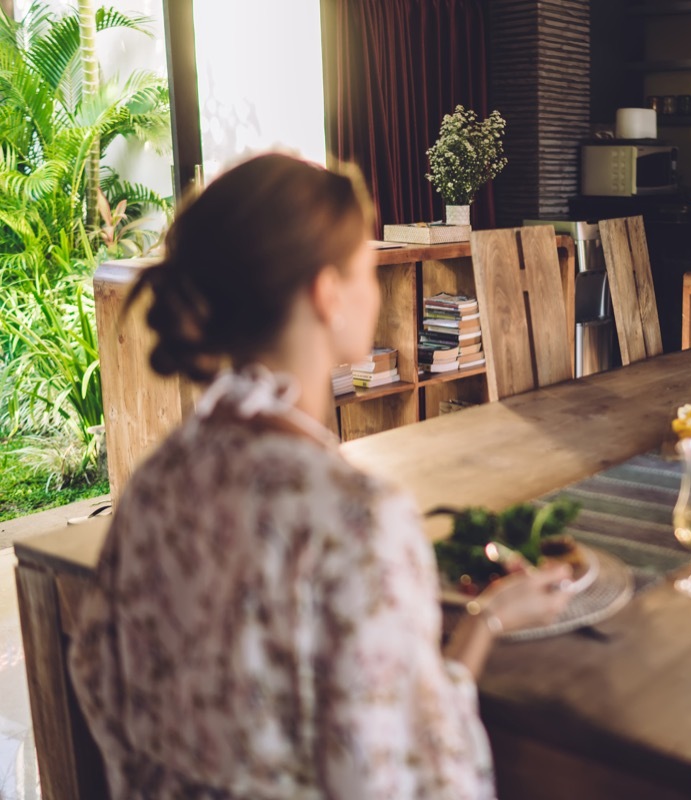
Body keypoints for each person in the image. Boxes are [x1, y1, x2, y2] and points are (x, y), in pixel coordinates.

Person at [67, 153, 571, 799]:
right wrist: (487, 623)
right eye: (365, 265)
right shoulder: (355, 515)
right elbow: (405, 779)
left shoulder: (159, 479)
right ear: (327, 293)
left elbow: (98, 675)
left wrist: (483, 622)